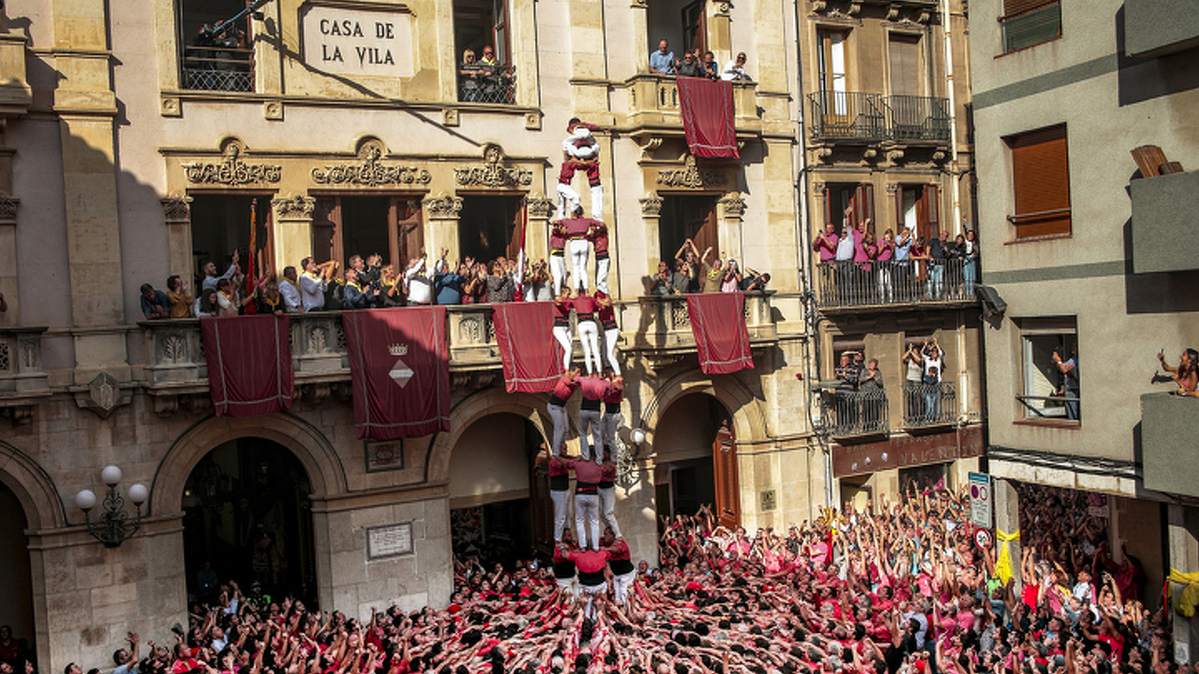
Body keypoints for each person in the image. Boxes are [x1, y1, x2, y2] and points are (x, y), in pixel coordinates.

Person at [565, 455, 603, 550]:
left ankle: (582, 546)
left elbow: (566, 463)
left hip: (580, 493)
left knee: (579, 521)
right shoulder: (598, 465)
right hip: (593, 493)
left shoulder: (578, 463)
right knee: (594, 521)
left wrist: (574, 458)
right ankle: (596, 546)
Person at [546, 369, 580, 456]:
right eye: (577, 373)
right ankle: (556, 452)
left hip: (562, 407)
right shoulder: (564, 379)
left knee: (566, 429)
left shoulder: (574, 381)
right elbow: (569, 382)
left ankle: (561, 446)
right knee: (559, 429)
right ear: (570, 372)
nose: (578, 375)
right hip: (554, 407)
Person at [577, 373, 609, 462]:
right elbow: (612, 387)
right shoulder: (603, 382)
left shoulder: (585, 380)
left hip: (584, 410)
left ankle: (585, 456)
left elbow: (575, 379)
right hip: (595, 411)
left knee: (583, 433)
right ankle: (599, 458)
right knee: (597, 436)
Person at [602, 529, 634, 604]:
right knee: (617, 595)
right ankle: (620, 611)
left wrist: (606, 549)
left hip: (626, 574)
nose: (604, 537)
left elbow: (617, 549)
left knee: (624, 593)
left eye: (606, 534)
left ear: (612, 535)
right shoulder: (606, 542)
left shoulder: (620, 543)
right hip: (617, 574)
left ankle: (627, 611)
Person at [598, 447, 621, 540]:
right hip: (599, 488)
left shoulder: (611, 465)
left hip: (608, 489)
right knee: (601, 513)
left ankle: (617, 534)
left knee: (608, 512)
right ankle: (610, 529)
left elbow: (607, 470)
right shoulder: (600, 463)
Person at [595, 293, 620, 375]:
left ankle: (617, 373)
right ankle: (608, 370)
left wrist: (600, 300)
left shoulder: (608, 304)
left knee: (609, 354)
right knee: (604, 355)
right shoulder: (599, 309)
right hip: (605, 331)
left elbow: (608, 303)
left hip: (612, 329)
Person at [1054, 342, 1079, 420]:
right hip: (1070, 390)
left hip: (1074, 391)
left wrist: (1058, 361)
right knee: (1071, 414)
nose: (1072, 347)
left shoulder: (1078, 360)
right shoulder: (1074, 358)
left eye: (1074, 346)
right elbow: (1064, 367)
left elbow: (1068, 372)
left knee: (1075, 417)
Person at [903, 342, 925, 421]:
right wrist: (909, 350)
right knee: (910, 398)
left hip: (917, 381)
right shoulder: (910, 361)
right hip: (910, 380)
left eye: (916, 352)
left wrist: (912, 352)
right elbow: (903, 358)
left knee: (917, 398)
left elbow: (918, 360)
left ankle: (919, 415)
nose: (914, 354)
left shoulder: (921, 361)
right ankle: (911, 416)